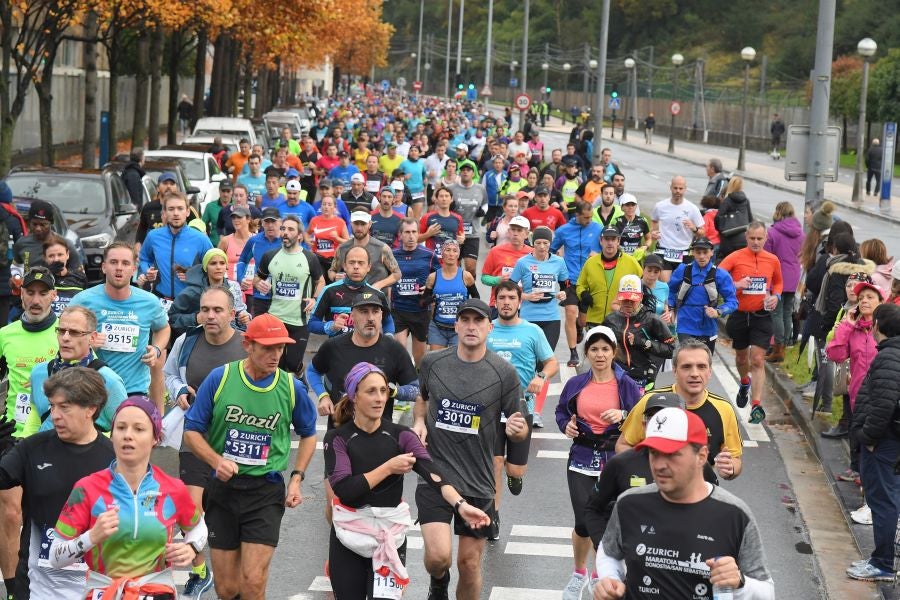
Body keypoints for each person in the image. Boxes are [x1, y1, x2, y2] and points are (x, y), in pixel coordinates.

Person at [324, 363, 490, 600]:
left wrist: (461, 505)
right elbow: (346, 490)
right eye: (371, 391)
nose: (380, 398)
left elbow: (433, 474)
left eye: (383, 391)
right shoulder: (337, 438)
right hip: (349, 535)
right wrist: (388, 468)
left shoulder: (401, 435)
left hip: (390, 534)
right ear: (353, 396)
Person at [183, 314, 317, 600]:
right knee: (228, 588)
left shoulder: (291, 387)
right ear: (248, 345)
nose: (275, 355)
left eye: (280, 348)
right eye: (267, 348)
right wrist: (216, 461)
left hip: (265, 490)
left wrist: (296, 479)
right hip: (223, 490)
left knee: (253, 582)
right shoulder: (221, 378)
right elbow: (192, 432)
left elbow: (309, 433)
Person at [412, 298, 528, 600]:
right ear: (456, 325)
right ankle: (438, 582)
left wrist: (517, 433)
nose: (471, 326)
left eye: (478, 321)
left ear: (490, 327)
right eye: (465, 320)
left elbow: (519, 425)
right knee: (438, 558)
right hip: (436, 474)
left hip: (479, 478)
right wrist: (420, 421)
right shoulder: (433, 363)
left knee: (469, 563)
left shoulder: (503, 372)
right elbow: (422, 398)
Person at [594, 407, 774, 600]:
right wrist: (610, 579)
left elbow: (767, 592)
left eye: (672, 454)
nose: (659, 465)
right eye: (654, 453)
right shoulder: (628, 504)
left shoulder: (734, 514)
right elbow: (609, 553)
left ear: (702, 456)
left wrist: (739, 584)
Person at [49, 396, 206, 598]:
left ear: (155, 438)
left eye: (139, 429)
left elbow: (198, 526)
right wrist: (91, 537)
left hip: (155, 590)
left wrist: (192, 547)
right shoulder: (87, 488)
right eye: (121, 428)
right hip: (104, 591)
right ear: (112, 434)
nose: (127, 436)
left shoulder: (173, 488)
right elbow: (55, 557)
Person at [0, 368, 115, 600]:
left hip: (96, 585)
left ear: (90, 409)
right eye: (52, 406)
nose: (55, 415)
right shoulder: (32, 448)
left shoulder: (114, 458)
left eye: (64, 407)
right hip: (37, 585)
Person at [164, 285, 248, 596]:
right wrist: (180, 392)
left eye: (217, 310)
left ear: (230, 313)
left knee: (230, 512)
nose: (210, 316)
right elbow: (170, 374)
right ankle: (200, 572)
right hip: (194, 437)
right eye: (205, 310)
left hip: (237, 440)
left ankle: (235, 566)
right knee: (189, 507)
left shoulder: (246, 345)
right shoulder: (186, 341)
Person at [555, 325, 642, 599]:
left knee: (606, 522)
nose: (600, 354)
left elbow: (641, 420)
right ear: (587, 353)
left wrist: (624, 414)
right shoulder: (576, 383)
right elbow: (561, 412)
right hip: (581, 458)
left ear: (614, 352)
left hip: (615, 461)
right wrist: (565, 427)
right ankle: (578, 573)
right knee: (584, 521)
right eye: (594, 349)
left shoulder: (626, 384)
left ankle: (598, 575)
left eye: (605, 349)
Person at [582, 392, 718, 551]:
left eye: (666, 418)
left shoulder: (698, 464)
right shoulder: (620, 464)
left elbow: (714, 512)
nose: (659, 424)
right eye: (651, 418)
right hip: (632, 562)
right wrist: (605, 549)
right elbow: (593, 509)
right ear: (643, 424)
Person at [0, 266, 59, 596]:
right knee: (9, 513)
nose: (35, 300)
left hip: (52, 436)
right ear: (20, 294)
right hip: (12, 435)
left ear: (53, 296)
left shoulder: (65, 335)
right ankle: (13, 590)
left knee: (44, 516)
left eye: (42, 293)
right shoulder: (6, 335)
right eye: (30, 292)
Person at [616, 340, 745, 483]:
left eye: (701, 366)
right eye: (687, 367)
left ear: (710, 372)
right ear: (675, 371)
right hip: (655, 490)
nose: (695, 373)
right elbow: (623, 445)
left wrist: (729, 469)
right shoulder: (651, 402)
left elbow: (735, 460)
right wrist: (649, 470)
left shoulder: (724, 409)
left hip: (699, 495)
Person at [487, 282, 557, 524]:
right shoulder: (486, 329)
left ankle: (514, 474)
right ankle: (493, 516)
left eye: (511, 298)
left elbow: (551, 363)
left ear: (520, 302)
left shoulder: (533, 331)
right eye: (502, 297)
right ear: (495, 302)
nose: (506, 302)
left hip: (520, 406)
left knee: (514, 469)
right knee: (494, 462)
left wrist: (541, 377)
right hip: (490, 408)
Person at [70, 242, 171, 403]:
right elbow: (63, 336)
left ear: (133, 269)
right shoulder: (83, 301)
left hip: (134, 390)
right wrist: (86, 345)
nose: (119, 268)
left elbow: (163, 328)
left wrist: (157, 350)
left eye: (125, 263)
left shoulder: (149, 302)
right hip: (92, 388)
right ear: (103, 267)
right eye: (113, 262)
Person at [844, 302, 900, 582]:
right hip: (889, 440)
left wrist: (868, 438)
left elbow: (883, 405)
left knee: (883, 501)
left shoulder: (889, 356)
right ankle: (882, 559)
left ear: (878, 325)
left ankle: (882, 564)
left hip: (884, 442)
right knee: (889, 498)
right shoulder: (892, 353)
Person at [309, 294, 419, 428]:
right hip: (339, 434)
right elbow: (312, 370)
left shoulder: (395, 349)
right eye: (364, 312)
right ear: (352, 316)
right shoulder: (333, 346)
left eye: (375, 311)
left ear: (381, 315)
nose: (371, 318)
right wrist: (323, 396)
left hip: (380, 436)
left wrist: (392, 391)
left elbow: (416, 390)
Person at [24, 305, 127, 435]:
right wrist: (24, 448)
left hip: (90, 454)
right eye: (61, 331)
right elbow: (35, 417)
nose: (65, 337)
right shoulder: (39, 372)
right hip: (43, 453)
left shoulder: (109, 381)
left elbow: (123, 429)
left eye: (74, 332)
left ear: (93, 337)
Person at [719, 223, 783, 424]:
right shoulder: (736, 257)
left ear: (766, 239)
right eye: (752, 238)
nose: (756, 242)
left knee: (757, 359)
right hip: (739, 314)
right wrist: (735, 284)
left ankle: (756, 405)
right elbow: (717, 277)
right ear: (746, 237)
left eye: (760, 238)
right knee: (741, 359)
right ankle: (744, 382)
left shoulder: (772, 260)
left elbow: (779, 282)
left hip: (762, 315)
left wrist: (777, 296)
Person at [253, 214, 325, 375]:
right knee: (277, 365)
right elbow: (257, 278)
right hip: (275, 317)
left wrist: (314, 298)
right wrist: (259, 283)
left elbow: (321, 282)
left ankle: (300, 377)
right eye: (283, 229)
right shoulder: (270, 256)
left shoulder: (309, 258)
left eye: (290, 229)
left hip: (299, 320)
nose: (285, 232)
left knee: (293, 364)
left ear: (299, 236)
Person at [602, 275, 675, 391]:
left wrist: (641, 342)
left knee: (639, 408)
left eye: (633, 299)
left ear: (640, 297)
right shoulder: (610, 320)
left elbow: (671, 350)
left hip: (643, 377)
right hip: (615, 376)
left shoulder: (652, 319)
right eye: (625, 299)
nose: (628, 303)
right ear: (618, 297)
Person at [138, 192, 214, 303]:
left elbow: (215, 266)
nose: (176, 213)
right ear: (164, 213)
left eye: (180, 208)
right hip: (161, 300)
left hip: (190, 302)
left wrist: (194, 275)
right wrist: (146, 271)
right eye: (171, 209)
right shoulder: (153, 236)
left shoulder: (200, 239)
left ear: (187, 212)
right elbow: (144, 258)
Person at [552, 202, 603, 367]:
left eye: (591, 217)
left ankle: (579, 327)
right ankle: (573, 352)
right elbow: (551, 250)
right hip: (570, 279)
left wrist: (598, 255)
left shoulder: (597, 229)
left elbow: (609, 250)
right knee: (570, 311)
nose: (589, 220)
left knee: (582, 320)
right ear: (577, 215)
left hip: (589, 281)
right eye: (586, 217)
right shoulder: (563, 230)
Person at [667, 237, 738, 352]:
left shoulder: (721, 275)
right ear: (693, 252)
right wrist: (670, 307)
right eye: (698, 252)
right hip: (685, 325)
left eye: (705, 252)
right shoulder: (683, 270)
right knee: (688, 360)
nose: (701, 256)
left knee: (703, 363)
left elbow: (733, 301)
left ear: (711, 252)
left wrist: (718, 311)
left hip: (708, 327)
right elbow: (670, 289)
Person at [310, 246, 395, 337]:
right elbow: (311, 324)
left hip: (368, 349)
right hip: (338, 349)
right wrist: (331, 326)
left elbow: (388, 322)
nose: (356, 266)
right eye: (351, 262)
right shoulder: (329, 291)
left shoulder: (378, 294)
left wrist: (389, 337)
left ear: (368, 267)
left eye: (361, 263)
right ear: (345, 266)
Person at [509, 226, 569, 353]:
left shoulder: (559, 262)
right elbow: (510, 287)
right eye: (538, 243)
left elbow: (566, 286)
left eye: (545, 243)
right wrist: (525, 296)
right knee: (529, 356)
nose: (542, 246)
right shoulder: (522, 262)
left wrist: (563, 293)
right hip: (528, 317)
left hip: (551, 318)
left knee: (546, 356)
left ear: (550, 243)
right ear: (532, 243)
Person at [168, 248, 250, 338]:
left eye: (222, 263)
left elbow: (239, 311)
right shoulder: (192, 292)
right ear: (205, 267)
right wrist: (195, 318)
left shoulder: (234, 286)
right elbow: (172, 317)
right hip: (201, 339)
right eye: (213, 263)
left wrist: (245, 317)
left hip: (230, 337)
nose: (218, 267)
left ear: (226, 266)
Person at [392, 218, 437, 367]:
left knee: (419, 358)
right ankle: (404, 383)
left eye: (414, 232)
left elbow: (441, 279)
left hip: (421, 310)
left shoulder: (429, 255)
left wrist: (430, 289)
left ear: (418, 234)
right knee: (400, 351)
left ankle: (418, 385)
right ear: (400, 235)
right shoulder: (391, 255)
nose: (411, 236)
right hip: (399, 309)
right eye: (407, 232)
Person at [576, 227, 643, 327]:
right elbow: (580, 285)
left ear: (618, 241)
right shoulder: (590, 262)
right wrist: (583, 294)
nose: (610, 242)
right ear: (601, 241)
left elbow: (643, 284)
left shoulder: (631, 262)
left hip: (620, 319)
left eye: (613, 239)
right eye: (607, 239)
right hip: (595, 318)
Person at [764, 202, 805, 362]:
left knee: (776, 313)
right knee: (787, 312)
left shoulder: (772, 232)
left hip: (777, 276)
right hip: (793, 275)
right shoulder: (801, 234)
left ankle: (777, 348)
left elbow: (766, 256)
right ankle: (785, 345)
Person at [422, 239, 476, 351]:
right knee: (436, 362)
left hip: (459, 327)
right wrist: (431, 299)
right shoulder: (433, 277)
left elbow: (477, 299)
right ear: (442, 253)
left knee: (456, 363)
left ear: (458, 254)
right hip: (438, 327)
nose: (451, 254)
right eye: (447, 250)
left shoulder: (466, 276)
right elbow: (422, 303)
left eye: (455, 251)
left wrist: (466, 307)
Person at [329, 212, 402, 292]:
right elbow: (331, 270)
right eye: (356, 224)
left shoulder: (382, 248)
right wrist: (335, 277)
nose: (359, 228)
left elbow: (397, 274)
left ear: (370, 224)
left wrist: (379, 285)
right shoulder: (342, 248)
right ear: (351, 224)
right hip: (350, 298)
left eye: (363, 224)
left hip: (376, 299)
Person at [650, 176, 705, 280]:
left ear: (685, 189)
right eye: (675, 188)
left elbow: (703, 232)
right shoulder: (660, 206)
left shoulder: (692, 209)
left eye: (681, 188)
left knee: (683, 287)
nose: (678, 191)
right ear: (670, 188)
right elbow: (654, 220)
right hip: (664, 250)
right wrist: (654, 231)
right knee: (665, 286)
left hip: (684, 251)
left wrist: (694, 228)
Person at [447, 163, 489, 279]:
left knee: (470, 267)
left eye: (468, 170)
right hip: (455, 234)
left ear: (473, 173)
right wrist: (449, 208)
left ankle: (470, 290)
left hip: (473, 233)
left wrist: (483, 211)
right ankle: (459, 291)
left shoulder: (480, 188)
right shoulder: (452, 189)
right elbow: (444, 205)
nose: (465, 172)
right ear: (460, 173)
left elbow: (486, 203)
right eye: (463, 170)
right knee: (455, 266)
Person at [481, 215, 532, 309]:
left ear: (527, 234)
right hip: (498, 304)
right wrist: (498, 280)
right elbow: (484, 278)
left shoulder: (532, 254)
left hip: (525, 306)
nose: (515, 233)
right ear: (508, 232)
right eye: (513, 229)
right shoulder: (495, 251)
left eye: (519, 230)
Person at [42, 235, 85, 316]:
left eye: (60, 254)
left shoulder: (80, 278)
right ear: (45, 257)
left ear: (67, 254)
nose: (56, 259)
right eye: (51, 256)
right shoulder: (40, 279)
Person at [715, 176, 754, 260]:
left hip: (728, 241)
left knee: (726, 264)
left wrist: (721, 230)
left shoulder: (727, 201)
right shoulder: (746, 200)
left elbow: (718, 218)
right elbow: (750, 220)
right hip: (743, 240)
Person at [202, 179, 233, 246]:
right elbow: (202, 225)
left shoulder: (237, 207)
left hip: (232, 246)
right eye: (223, 191)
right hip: (214, 245)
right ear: (219, 191)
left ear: (232, 192)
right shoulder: (210, 206)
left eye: (228, 191)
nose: (225, 194)